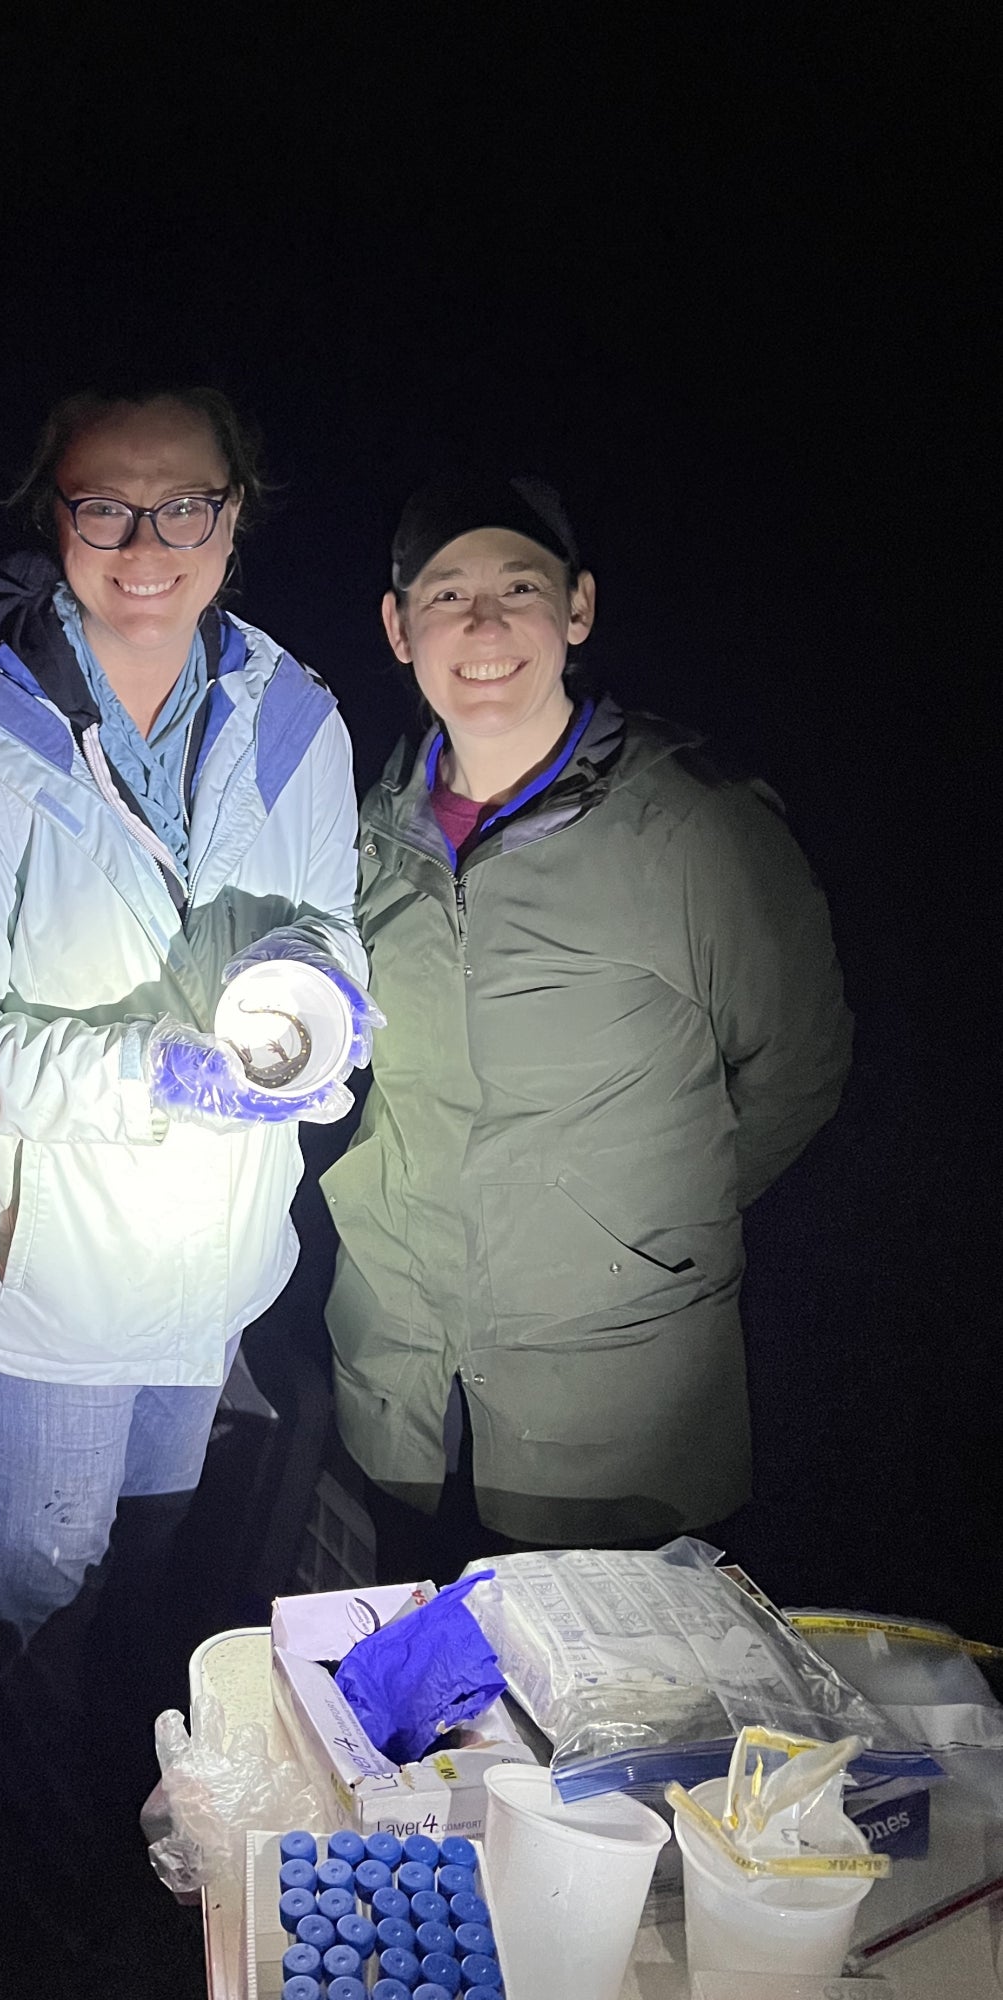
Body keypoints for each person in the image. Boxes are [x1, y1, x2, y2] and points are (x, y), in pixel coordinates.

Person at [0, 387, 375, 1965]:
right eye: (105, 508)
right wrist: (153, 1075)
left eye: (183, 508)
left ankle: (120, 1864)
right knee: (31, 1620)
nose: (145, 545)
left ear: (237, 515)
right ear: (56, 521)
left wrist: (321, 1017)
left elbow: (331, 940)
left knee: (143, 1601)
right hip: (31, 1296)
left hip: (204, 1280)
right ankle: (16, 1923)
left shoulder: (294, 714)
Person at [324, 471, 852, 1581]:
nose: (481, 624)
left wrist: (632, 1233)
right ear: (396, 626)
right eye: (446, 592)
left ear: (577, 609)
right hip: (406, 1394)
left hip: (618, 1417)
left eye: (518, 586)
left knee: (617, 1741)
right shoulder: (367, 824)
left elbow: (799, 1067)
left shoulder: (693, 824)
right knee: (415, 1738)